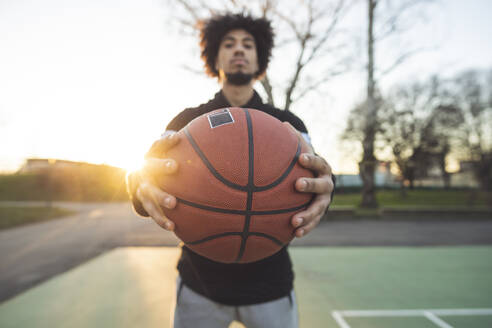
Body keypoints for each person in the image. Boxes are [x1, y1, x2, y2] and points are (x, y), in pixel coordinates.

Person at [127, 13, 335, 328]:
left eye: (248, 44)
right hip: (199, 285)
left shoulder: (290, 126)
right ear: (215, 56)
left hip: (271, 286)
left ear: (259, 57)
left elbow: (314, 184)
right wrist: (139, 187)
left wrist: (326, 190)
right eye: (229, 44)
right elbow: (147, 175)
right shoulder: (186, 123)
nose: (239, 50)